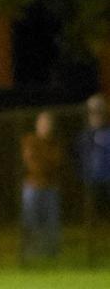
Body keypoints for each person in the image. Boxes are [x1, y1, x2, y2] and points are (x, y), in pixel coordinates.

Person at [20, 110, 63, 264]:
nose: (45, 127)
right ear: (37, 125)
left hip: (50, 188)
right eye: (42, 123)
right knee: (31, 221)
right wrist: (45, 163)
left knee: (51, 222)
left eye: (48, 124)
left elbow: (57, 162)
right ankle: (31, 254)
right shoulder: (30, 140)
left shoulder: (54, 143)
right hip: (32, 187)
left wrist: (43, 161)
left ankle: (50, 256)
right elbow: (32, 165)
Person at [77, 93, 110, 264]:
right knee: (92, 220)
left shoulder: (108, 133)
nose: (95, 115)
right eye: (92, 112)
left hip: (108, 181)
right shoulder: (85, 136)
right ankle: (92, 256)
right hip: (92, 183)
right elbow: (80, 158)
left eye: (98, 111)